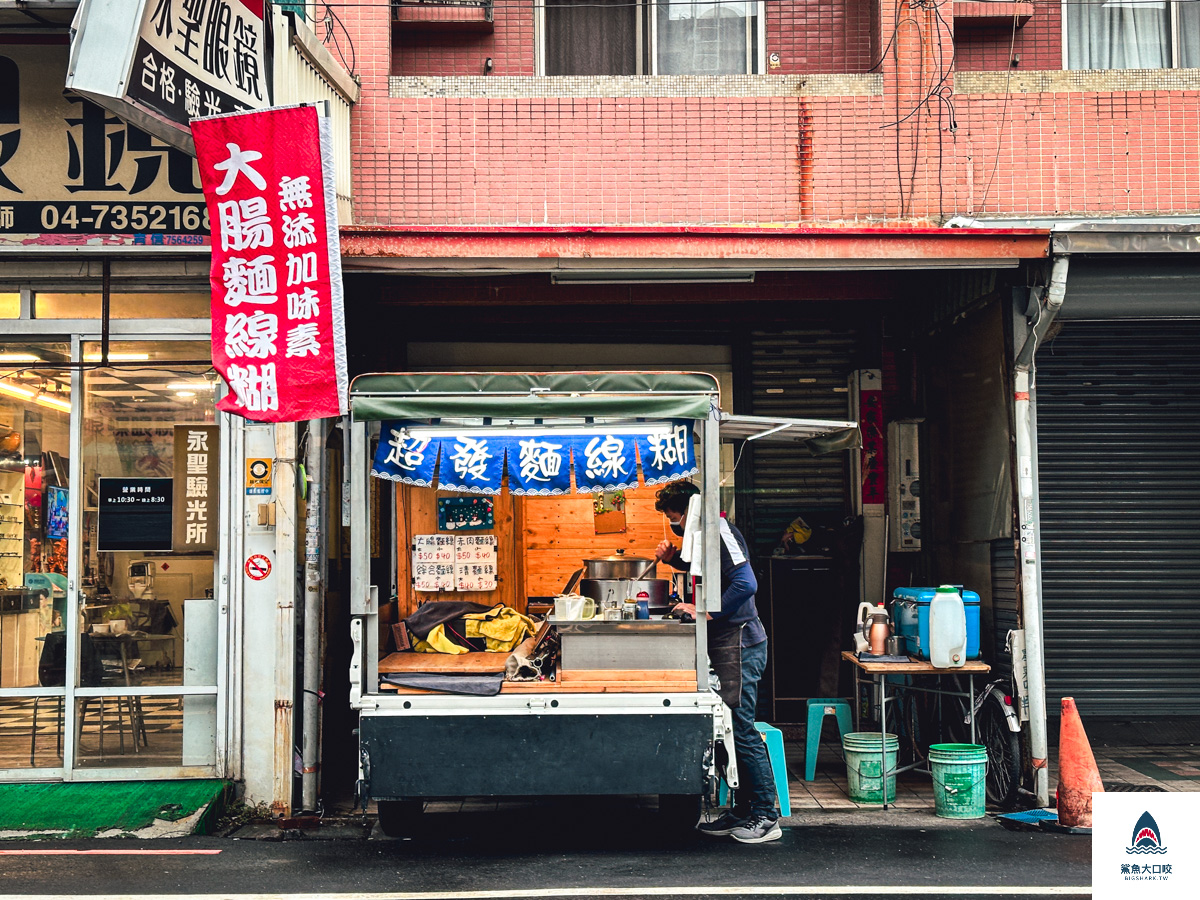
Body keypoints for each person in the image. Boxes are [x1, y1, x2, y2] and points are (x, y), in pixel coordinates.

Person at [653, 480, 781, 844]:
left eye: (674, 517)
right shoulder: (702, 533)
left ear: (690, 510)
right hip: (729, 643)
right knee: (727, 730)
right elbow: (712, 571)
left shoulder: (721, 531)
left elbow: (745, 583)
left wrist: (705, 611)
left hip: (741, 643)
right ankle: (742, 811)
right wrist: (673, 558)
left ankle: (766, 815)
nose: (674, 524)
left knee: (741, 729)